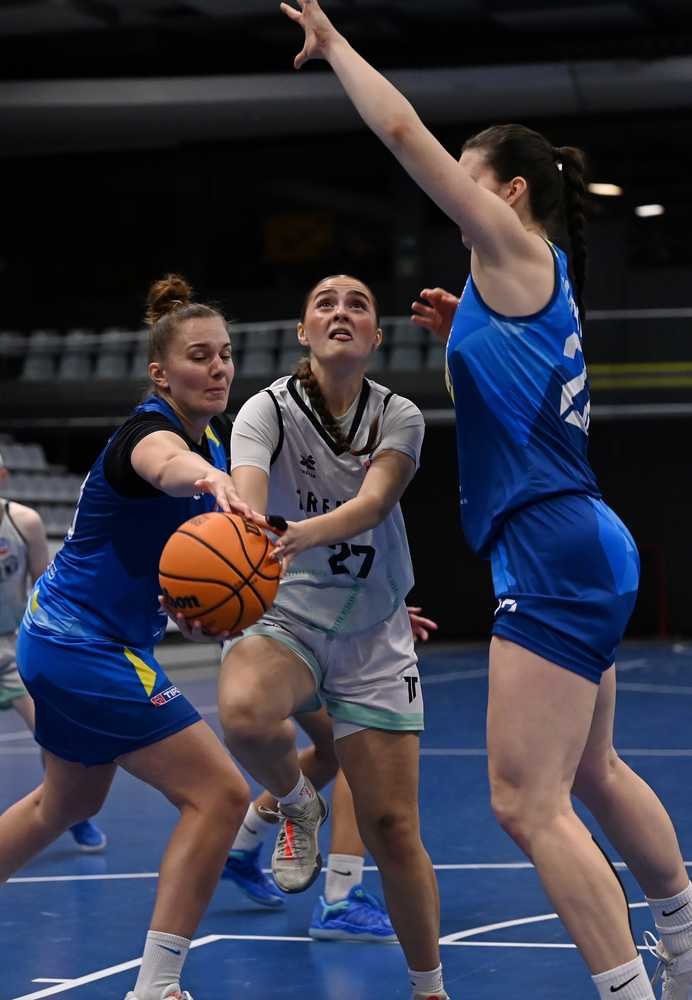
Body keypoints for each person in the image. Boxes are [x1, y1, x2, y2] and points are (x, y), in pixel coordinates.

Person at [279, 3, 692, 997]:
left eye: (466, 180)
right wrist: (465, 332)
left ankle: (630, 989)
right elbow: (520, 397)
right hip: (579, 533)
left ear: (507, 192)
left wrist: (336, 46)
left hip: (551, 542)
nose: (452, 195)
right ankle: (682, 942)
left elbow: (398, 129)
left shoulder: (510, 243)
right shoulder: (529, 283)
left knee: (524, 800)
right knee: (591, 771)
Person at [0, 275, 255, 1000]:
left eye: (225, 354)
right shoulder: (151, 437)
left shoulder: (212, 439)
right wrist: (207, 479)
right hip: (85, 646)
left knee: (65, 805)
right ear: (160, 373)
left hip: (66, 637)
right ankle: (157, 986)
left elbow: (168, 565)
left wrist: (188, 608)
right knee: (221, 795)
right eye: (199, 356)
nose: (218, 368)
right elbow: (166, 468)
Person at [215, 273, 448, 1000]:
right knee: (245, 712)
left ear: (374, 336)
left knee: (393, 826)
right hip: (287, 616)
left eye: (358, 305)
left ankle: (430, 988)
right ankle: (295, 803)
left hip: (374, 629)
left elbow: (374, 504)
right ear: (303, 332)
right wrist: (247, 550)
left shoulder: (399, 415)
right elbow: (249, 506)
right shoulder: (266, 410)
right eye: (325, 303)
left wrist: (294, 535)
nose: (341, 311)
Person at [222, 606, 437, 943]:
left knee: (332, 751)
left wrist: (379, 605)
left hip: (293, 627)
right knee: (358, 740)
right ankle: (340, 896)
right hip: (288, 631)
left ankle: (241, 843)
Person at [0, 453, 107, 852]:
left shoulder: (22, 521)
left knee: (54, 735)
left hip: (11, 645)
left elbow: (43, 587)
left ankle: (71, 813)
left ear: (3, 476)